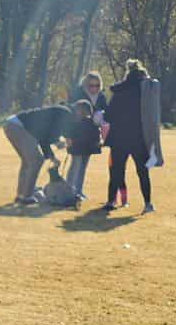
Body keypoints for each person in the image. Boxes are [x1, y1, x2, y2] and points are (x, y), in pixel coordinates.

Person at [102, 58, 161, 214]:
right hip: (139, 137)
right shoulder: (147, 91)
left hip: (119, 137)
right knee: (142, 172)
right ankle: (148, 203)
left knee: (116, 170)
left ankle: (111, 200)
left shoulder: (119, 91)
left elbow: (108, 116)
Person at [2, 102, 74, 205]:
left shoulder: (61, 112)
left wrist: (55, 149)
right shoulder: (66, 114)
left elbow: (47, 136)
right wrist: (54, 153)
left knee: (27, 162)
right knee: (36, 161)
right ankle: (27, 197)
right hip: (17, 126)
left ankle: (21, 195)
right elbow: (45, 138)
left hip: (11, 123)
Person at [64, 98, 103, 204]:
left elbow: (96, 135)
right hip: (77, 149)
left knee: (82, 169)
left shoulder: (92, 122)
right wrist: (69, 143)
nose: (77, 111)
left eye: (79, 109)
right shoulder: (74, 122)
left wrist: (98, 142)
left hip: (87, 149)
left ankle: (78, 191)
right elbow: (68, 135)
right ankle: (69, 191)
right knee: (74, 168)